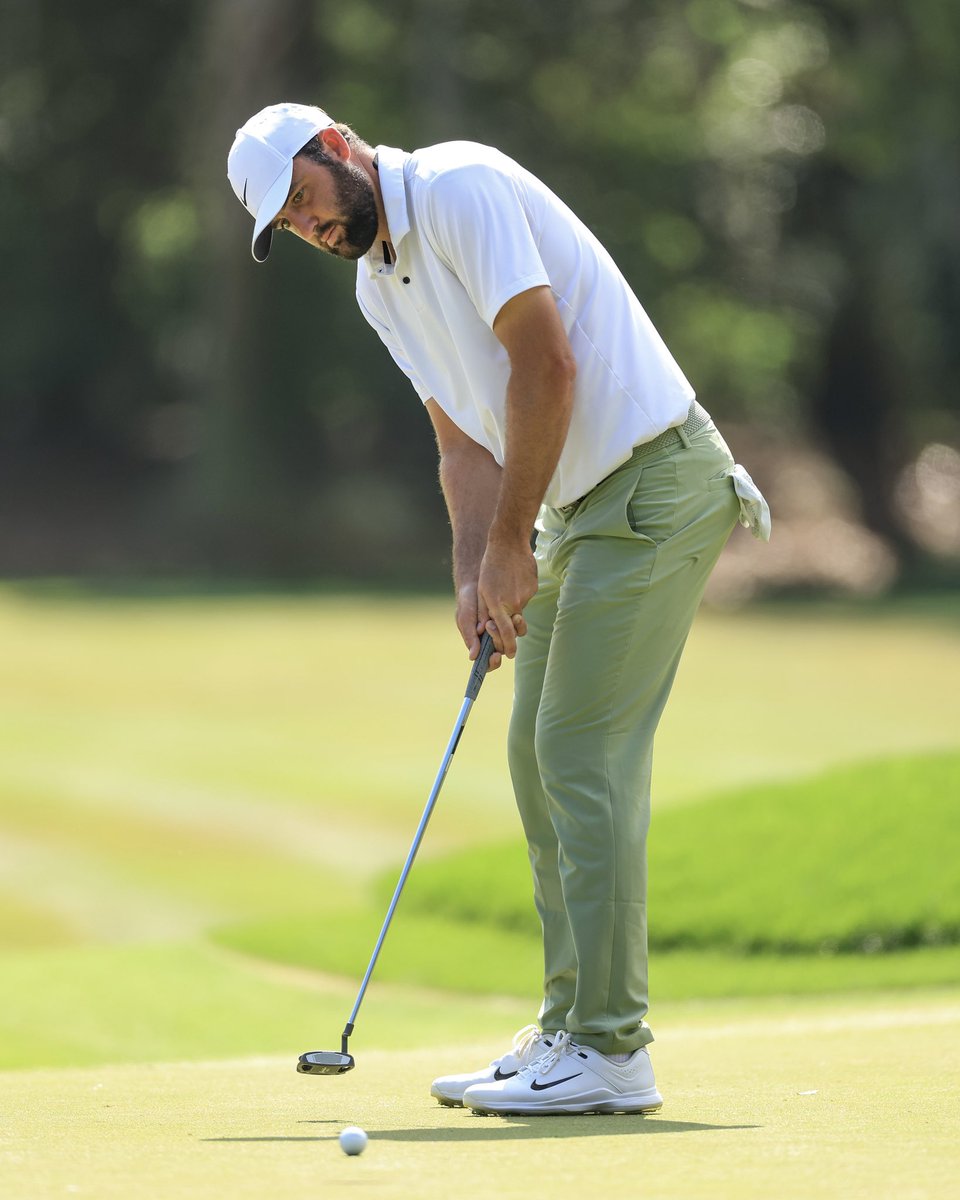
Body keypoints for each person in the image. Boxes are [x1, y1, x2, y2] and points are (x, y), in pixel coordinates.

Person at [227, 102, 770, 1116]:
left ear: (339, 148)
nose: (311, 226)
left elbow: (546, 365)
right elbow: (462, 446)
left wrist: (516, 540)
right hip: (579, 505)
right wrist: (473, 574)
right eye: (291, 226)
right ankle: (571, 1026)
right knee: (532, 750)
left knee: (578, 750)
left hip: (657, 482)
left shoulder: (458, 184)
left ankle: (614, 1049)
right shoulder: (376, 288)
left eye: (306, 200)